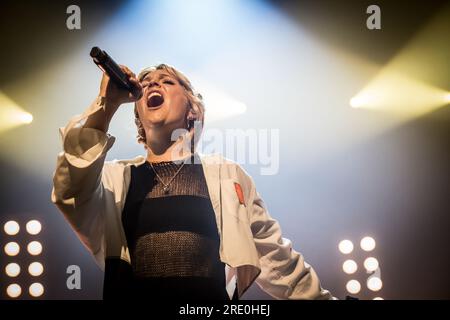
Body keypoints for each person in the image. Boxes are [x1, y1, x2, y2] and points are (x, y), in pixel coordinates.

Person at [51, 63, 334, 300]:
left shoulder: (227, 175)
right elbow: (70, 189)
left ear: (192, 109)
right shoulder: (115, 179)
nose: (152, 85)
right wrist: (107, 104)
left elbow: (278, 260)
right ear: (138, 113)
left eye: (166, 81)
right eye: (146, 82)